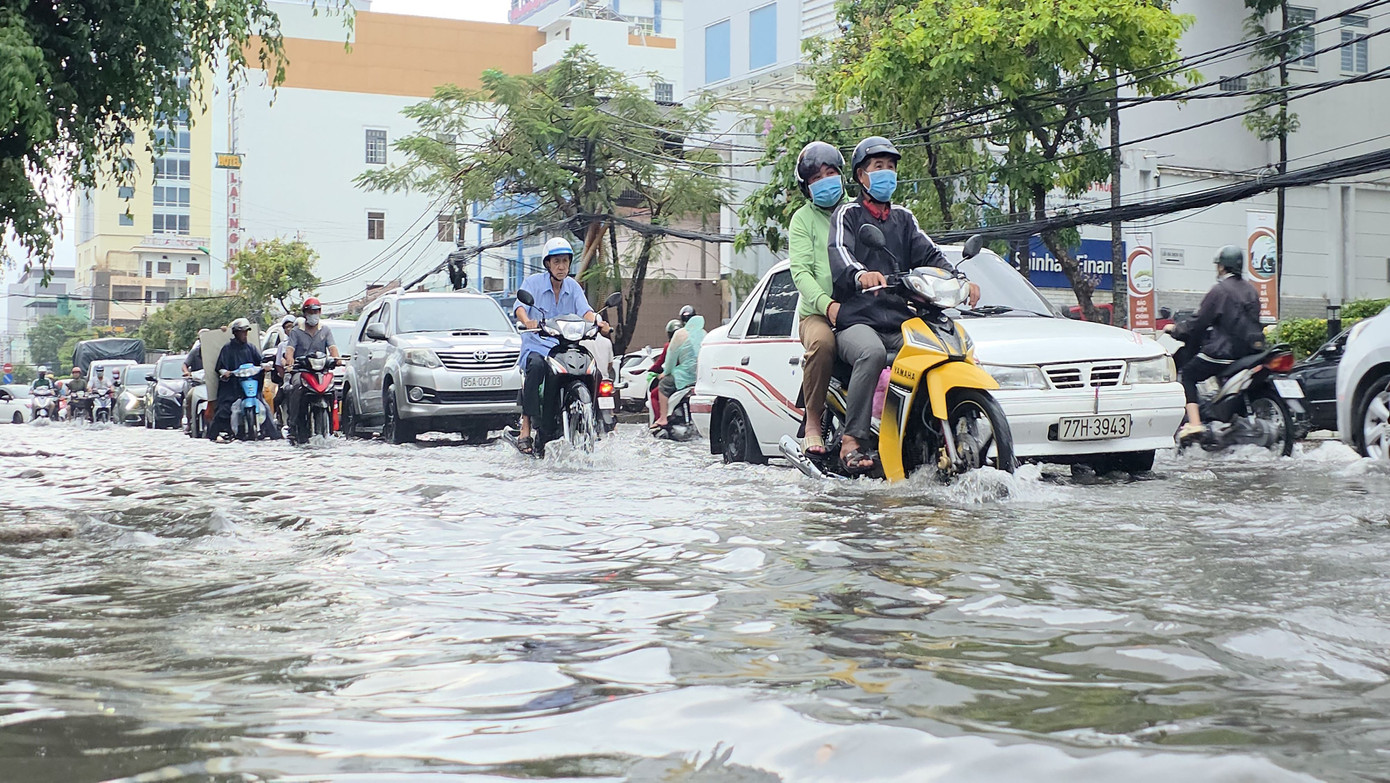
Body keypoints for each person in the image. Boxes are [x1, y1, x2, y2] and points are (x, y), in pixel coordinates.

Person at [827, 136, 981, 474]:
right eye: (878, 167)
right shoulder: (847, 215)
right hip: (857, 321)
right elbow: (839, 253)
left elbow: (931, 254)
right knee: (872, 353)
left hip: (900, 321)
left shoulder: (904, 219)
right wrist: (860, 275)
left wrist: (960, 279)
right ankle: (852, 439)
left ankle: (924, 433)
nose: (887, 173)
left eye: (891, 167)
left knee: (938, 352)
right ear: (861, 177)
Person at [513, 237, 609, 454]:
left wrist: (598, 321)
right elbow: (520, 307)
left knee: (593, 369)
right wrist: (527, 321)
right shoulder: (533, 283)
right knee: (536, 367)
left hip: (564, 347)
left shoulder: (573, 286)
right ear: (548, 264)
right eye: (556, 261)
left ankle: (596, 422)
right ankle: (526, 428)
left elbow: (585, 311)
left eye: (565, 261)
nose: (561, 266)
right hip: (537, 345)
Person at [1165, 245, 1264, 439]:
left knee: (1189, 375)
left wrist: (1175, 329)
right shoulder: (1251, 290)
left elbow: (1199, 322)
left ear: (1221, 267)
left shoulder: (1219, 291)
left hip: (1223, 352)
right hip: (1250, 353)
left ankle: (1194, 424)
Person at [789, 140, 846, 456]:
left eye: (830, 173)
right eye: (815, 178)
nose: (824, 181)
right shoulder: (802, 220)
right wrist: (828, 305)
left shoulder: (857, 210)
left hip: (862, 309)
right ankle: (813, 421)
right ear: (806, 187)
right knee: (823, 344)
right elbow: (801, 273)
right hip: (816, 314)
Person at [281, 298, 340, 442]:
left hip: (321, 372)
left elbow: (332, 348)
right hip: (301, 371)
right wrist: (290, 362)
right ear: (305, 313)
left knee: (333, 390)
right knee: (295, 387)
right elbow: (290, 350)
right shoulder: (296, 332)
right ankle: (293, 424)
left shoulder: (325, 330)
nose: (313, 314)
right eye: (310, 311)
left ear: (320, 312)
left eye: (316, 311)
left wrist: (337, 359)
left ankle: (334, 425)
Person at [208, 318, 272, 441]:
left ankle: (272, 434)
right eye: (241, 332)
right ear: (235, 333)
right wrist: (226, 372)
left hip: (250, 388)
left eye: (246, 332)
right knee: (223, 411)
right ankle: (214, 435)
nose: (244, 335)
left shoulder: (251, 348)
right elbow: (220, 367)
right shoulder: (227, 349)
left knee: (266, 408)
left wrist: (266, 366)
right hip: (233, 389)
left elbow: (261, 362)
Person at [655, 314, 705, 429]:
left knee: (663, 384)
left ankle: (663, 418)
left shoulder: (680, 334)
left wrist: (665, 373)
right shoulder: (704, 334)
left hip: (684, 376)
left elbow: (671, 358)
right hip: (701, 377)